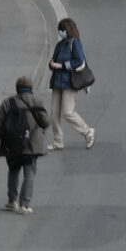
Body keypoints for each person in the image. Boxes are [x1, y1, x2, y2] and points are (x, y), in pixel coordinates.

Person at [0, 76, 50, 214]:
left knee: (13, 171)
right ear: (30, 88)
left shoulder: (8, 103)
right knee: (29, 173)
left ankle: (12, 201)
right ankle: (25, 204)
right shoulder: (37, 101)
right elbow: (46, 122)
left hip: (12, 145)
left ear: (17, 88)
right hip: (31, 145)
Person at [46, 18, 94, 151]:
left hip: (70, 82)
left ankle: (87, 131)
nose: (60, 32)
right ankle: (58, 141)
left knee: (67, 112)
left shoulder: (75, 43)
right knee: (54, 113)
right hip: (57, 82)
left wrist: (62, 65)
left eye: (61, 30)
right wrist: (51, 64)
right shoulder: (60, 44)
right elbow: (54, 59)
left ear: (67, 30)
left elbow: (79, 61)